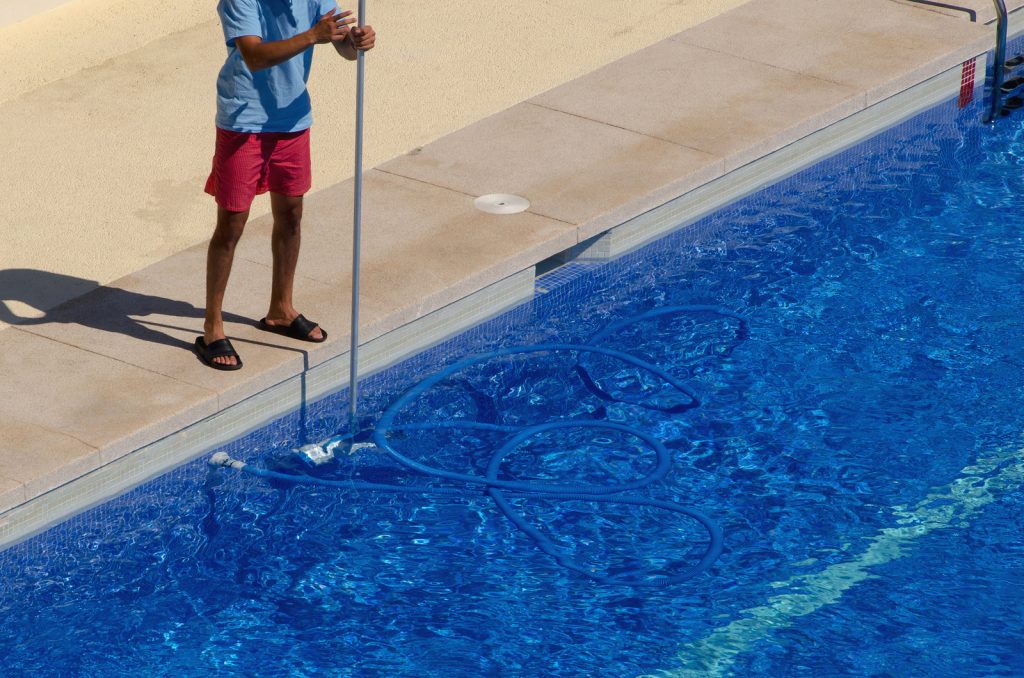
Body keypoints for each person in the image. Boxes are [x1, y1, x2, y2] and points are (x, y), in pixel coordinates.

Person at [195, 0, 376, 370]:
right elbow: (254, 56)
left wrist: (355, 42)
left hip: (292, 117)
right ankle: (213, 326)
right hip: (244, 120)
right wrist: (313, 35)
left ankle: (281, 309)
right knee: (231, 224)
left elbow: (340, 44)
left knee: (291, 215)